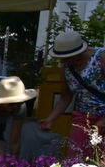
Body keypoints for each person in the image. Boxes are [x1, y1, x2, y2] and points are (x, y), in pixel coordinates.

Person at [40, 29, 105, 159]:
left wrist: (103, 121)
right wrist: (50, 118)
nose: (62, 61)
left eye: (66, 58)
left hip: (103, 116)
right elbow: (66, 96)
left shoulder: (101, 57)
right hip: (83, 117)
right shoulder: (67, 66)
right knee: (76, 159)